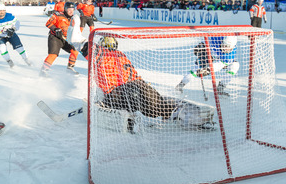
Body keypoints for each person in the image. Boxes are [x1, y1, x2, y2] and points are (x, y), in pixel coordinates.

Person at [85, 36, 215, 132]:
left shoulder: (100, 55)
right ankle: (176, 112)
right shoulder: (121, 55)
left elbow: (84, 46)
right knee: (156, 103)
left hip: (121, 91)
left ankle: (131, 121)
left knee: (140, 106)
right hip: (139, 84)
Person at [175, 36, 240, 97]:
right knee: (196, 69)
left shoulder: (230, 54)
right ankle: (180, 85)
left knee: (235, 65)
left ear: (233, 47)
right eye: (224, 45)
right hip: (209, 53)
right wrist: (201, 46)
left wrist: (208, 70)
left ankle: (221, 88)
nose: (225, 49)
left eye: (228, 47)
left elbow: (220, 65)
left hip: (221, 59)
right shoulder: (215, 38)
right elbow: (204, 37)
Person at [40, 2, 79, 76]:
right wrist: (55, 29)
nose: (71, 11)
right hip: (55, 38)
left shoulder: (74, 19)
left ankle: (70, 68)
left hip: (66, 39)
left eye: (73, 9)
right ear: (65, 9)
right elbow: (48, 23)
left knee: (75, 50)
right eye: (69, 9)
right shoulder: (58, 15)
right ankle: (43, 70)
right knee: (53, 54)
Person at [0, 3, 32, 68]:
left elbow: (17, 23)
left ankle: (27, 60)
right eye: (0, 11)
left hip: (11, 34)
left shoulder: (10, 16)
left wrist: (13, 29)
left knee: (19, 48)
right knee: (2, 48)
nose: (2, 12)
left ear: (5, 10)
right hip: (0, 36)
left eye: (3, 10)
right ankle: (9, 61)